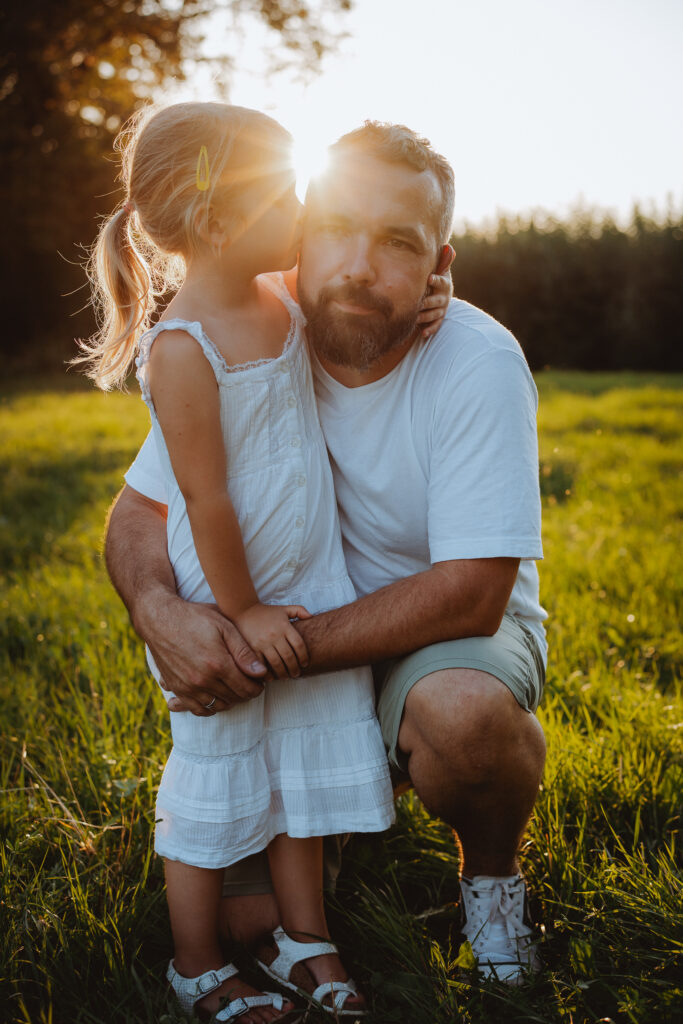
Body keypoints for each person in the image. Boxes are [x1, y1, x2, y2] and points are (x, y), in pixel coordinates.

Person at [107, 120, 547, 990]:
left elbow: (471, 595)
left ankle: (492, 890)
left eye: (398, 244)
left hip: (425, 642)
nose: (357, 264)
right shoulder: (255, 325)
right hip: (287, 641)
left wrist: (261, 651)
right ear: (297, 226)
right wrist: (163, 615)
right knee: (249, 926)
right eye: (337, 227)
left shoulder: (476, 362)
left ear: (439, 263)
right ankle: (309, 849)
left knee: (461, 718)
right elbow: (137, 514)